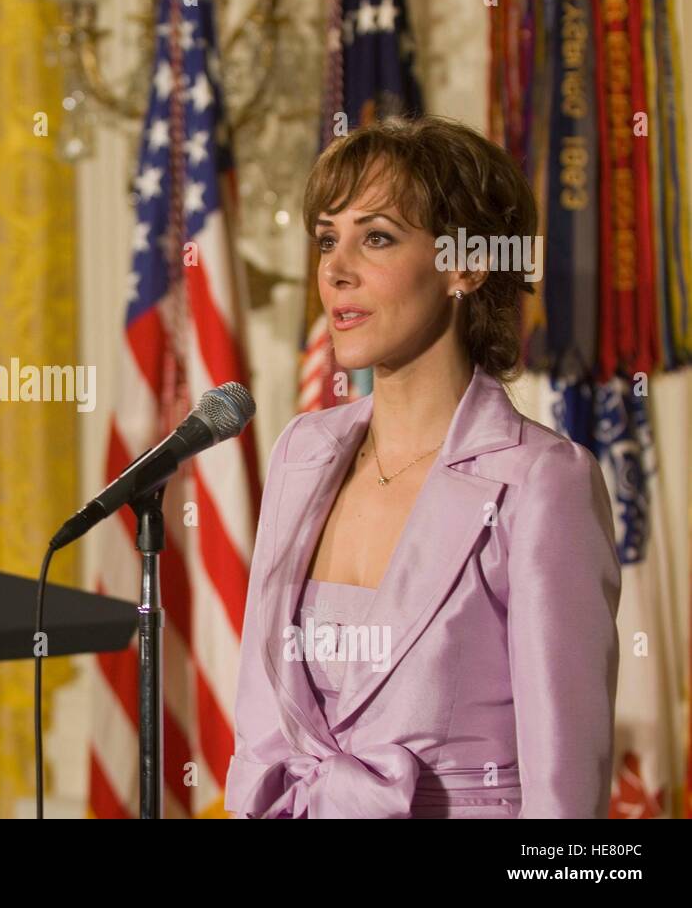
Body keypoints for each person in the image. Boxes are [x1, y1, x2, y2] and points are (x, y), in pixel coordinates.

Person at [225, 115, 620, 818]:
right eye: (326, 238)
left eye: (376, 236)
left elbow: (565, 803)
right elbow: (262, 731)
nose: (335, 269)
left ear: (465, 264)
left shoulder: (541, 483)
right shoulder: (301, 452)